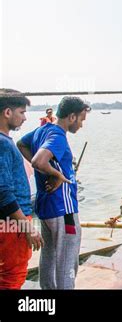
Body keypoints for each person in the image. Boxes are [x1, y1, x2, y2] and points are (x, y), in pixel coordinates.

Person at [17, 96, 90, 289]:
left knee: (49, 256)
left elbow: (21, 145)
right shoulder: (58, 135)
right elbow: (38, 161)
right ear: (72, 116)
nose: (81, 125)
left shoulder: (42, 130)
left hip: (46, 206)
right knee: (67, 261)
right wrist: (55, 173)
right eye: (81, 119)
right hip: (63, 209)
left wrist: (46, 169)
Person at [0, 89, 43, 289]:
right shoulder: (3, 143)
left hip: (9, 221)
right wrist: (27, 227)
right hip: (13, 222)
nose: (25, 118)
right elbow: (3, 191)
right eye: (22, 112)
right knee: (13, 275)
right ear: (7, 112)